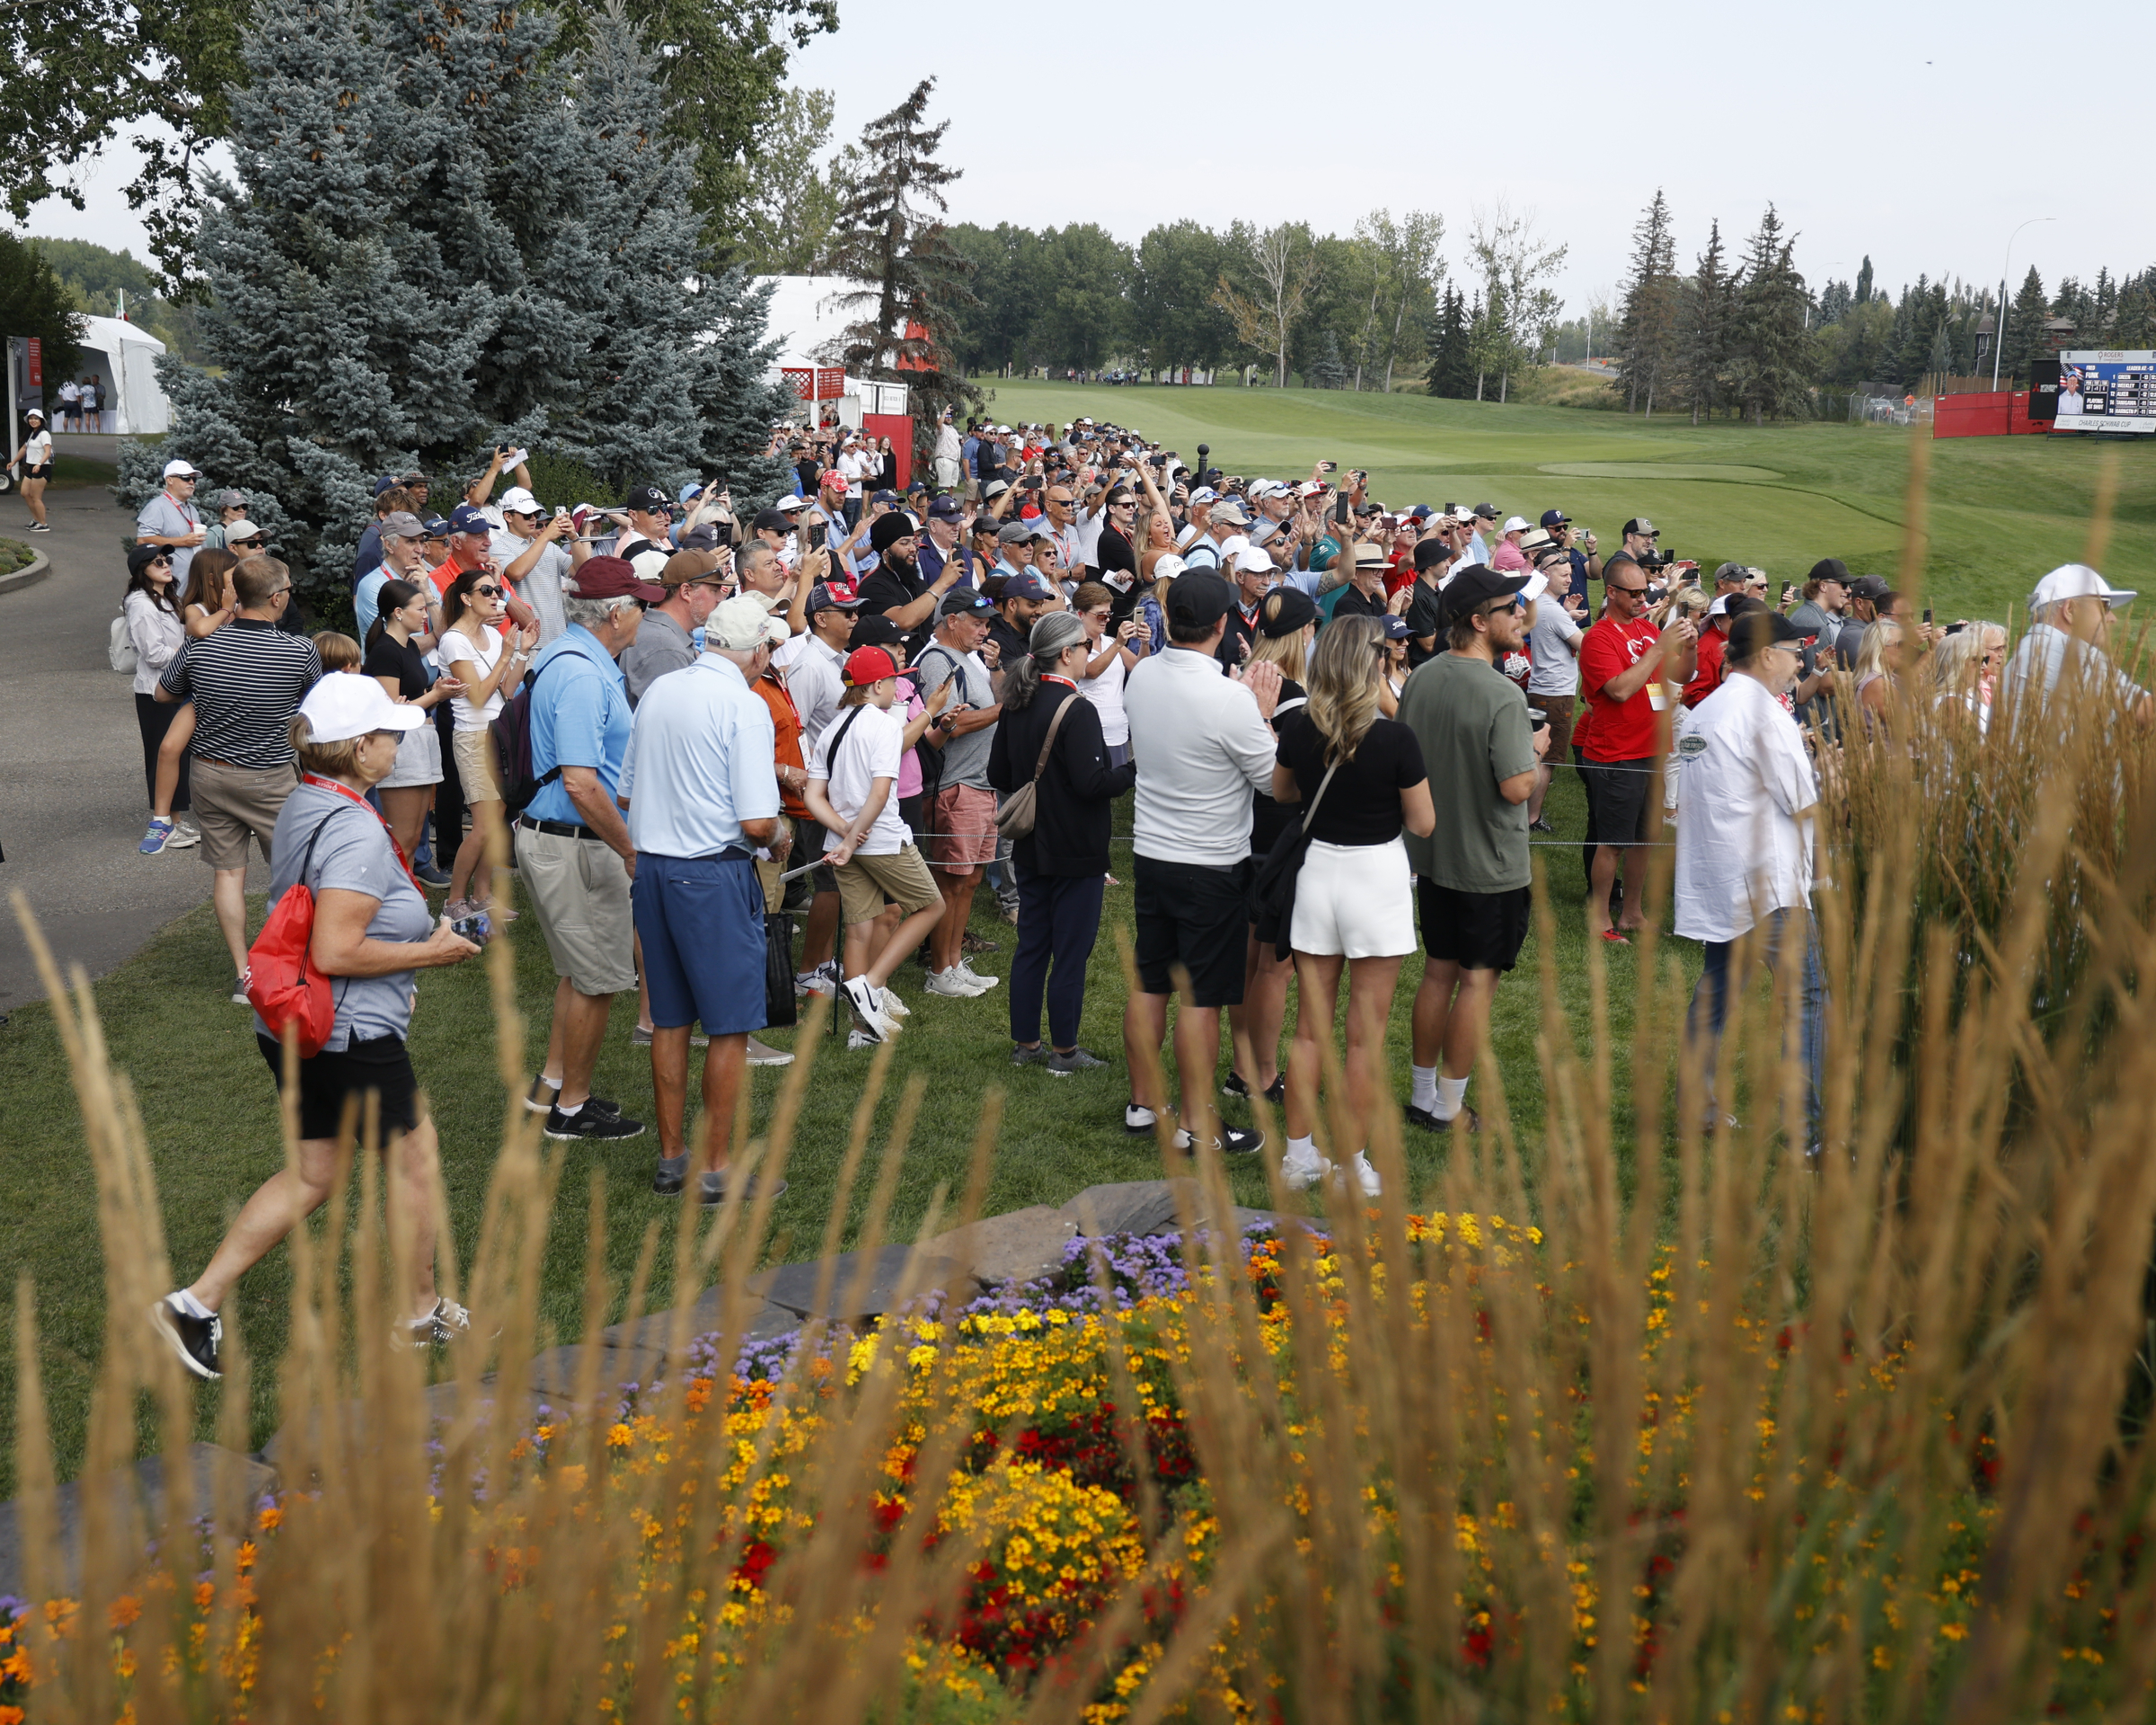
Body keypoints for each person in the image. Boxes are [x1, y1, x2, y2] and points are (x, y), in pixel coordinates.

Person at [148, 676, 482, 1380]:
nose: (397, 745)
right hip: (345, 1034)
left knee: (314, 1174)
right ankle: (420, 1313)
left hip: (292, 1025)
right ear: (360, 749)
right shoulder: (357, 828)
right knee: (414, 1158)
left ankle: (194, 1304)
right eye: (388, 735)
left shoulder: (308, 798)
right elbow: (334, 950)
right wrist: (431, 953)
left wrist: (401, 967)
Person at [620, 596, 787, 1203]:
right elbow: (758, 823)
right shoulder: (744, 705)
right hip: (711, 875)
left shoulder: (662, 690)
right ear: (757, 651)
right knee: (729, 1025)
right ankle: (716, 1170)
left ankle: (674, 1161)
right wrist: (780, 834)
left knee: (669, 1019)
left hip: (655, 872)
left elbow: (626, 792)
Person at [1265, 615, 1434, 1194]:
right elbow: (1424, 822)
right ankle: (1351, 1166)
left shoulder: (1299, 727)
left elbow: (1282, 791)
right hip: (1375, 879)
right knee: (1364, 1036)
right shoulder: (1395, 738)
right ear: (1374, 662)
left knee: (1309, 1030)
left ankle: (1297, 1158)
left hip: (1318, 874)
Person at [1120, 570, 1282, 1157]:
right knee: (1201, 998)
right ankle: (1195, 1122)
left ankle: (1144, 1103)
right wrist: (1262, 714)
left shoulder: (1142, 676)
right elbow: (1275, 783)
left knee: (1151, 981)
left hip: (1152, 854)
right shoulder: (1229, 699)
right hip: (1209, 865)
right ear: (1220, 624)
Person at [1396, 566, 1548, 1138]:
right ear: (1480, 622)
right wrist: (1535, 750)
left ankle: (1422, 1096)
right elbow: (1517, 787)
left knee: (1438, 973)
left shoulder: (1422, 677)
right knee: (1477, 982)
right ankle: (1448, 1107)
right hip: (1489, 865)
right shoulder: (1502, 693)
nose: (1521, 615)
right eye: (1511, 607)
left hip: (1433, 857)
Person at [513, 556, 656, 1140]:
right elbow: (580, 782)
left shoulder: (571, 656)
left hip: (566, 838)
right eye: (640, 605)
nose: (645, 614)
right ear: (615, 614)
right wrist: (629, 849)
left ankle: (550, 1087)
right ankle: (571, 1110)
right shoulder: (582, 675)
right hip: (577, 843)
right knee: (597, 980)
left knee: (579, 973)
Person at [1674, 610, 1825, 1144]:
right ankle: (1808, 1129)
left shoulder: (1705, 711)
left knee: (1716, 992)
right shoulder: (1763, 714)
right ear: (1766, 654)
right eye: (1794, 653)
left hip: (1721, 876)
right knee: (1808, 997)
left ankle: (1695, 1112)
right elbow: (1803, 803)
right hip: (1768, 883)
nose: (1800, 663)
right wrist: (1842, 778)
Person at [155, 556, 323, 995]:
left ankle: (243, 974)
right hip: (270, 779)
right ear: (276, 597)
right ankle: (291, 963)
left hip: (209, 775)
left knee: (228, 874)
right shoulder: (299, 650)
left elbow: (163, 693)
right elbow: (317, 707)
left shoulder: (200, 646)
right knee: (295, 875)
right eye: (288, 590)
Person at [987, 612, 1136, 1075]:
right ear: (1067, 653)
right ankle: (1065, 1052)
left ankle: (1026, 1044)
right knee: (1070, 952)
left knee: (1032, 945)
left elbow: (998, 774)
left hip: (1031, 843)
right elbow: (1093, 784)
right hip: (1076, 847)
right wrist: (1133, 769)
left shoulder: (1018, 701)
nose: (1091, 652)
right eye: (1087, 645)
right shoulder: (1077, 708)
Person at [804, 644, 949, 1043]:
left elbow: (814, 796)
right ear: (878, 685)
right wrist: (852, 838)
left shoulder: (831, 729)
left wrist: (844, 833)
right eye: (893, 683)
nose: (896, 690)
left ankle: (861, 1029)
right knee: (932, 906)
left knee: (859, 929)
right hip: (881, 839)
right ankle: (872, 985)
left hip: (845, 842)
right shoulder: (883, 725)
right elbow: (881, 792)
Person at [1578, 553, 1696, 943]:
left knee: (1646, 838)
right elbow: (1619, 689)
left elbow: (1682, 675)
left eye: (1644, 591)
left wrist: (1689, 647)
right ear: (1611, 592)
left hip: (1652, 751)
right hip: (1616, 753)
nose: (1643, 599)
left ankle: (1632, 913)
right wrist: (1659, 649)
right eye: (1634, 593)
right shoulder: (1599, 638)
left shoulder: (1646, 629)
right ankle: (1599, 918)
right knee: (1613, 842)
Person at [914, 590, 1005, 998]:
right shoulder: (937, 660)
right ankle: (938, 971)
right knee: (951, 882)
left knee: (970, 880)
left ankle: (953, 963)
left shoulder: (969, 659)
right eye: (977, 622)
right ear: (952, 621)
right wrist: (1007, 708)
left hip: (980, 784)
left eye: (987, 624)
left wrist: (999, 676)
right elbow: (949, 724)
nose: (984, 631)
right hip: (955, 786)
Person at [437, 565, 538, 924]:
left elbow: (507, 689)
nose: (496, 596)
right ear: (466, 599)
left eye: (497, 590)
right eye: (486, 591)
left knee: (494, 826)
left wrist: (521, 652)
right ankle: (454, 900)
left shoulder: (494, 636)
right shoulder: (454, 640)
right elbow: (478, 696)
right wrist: (506, 655)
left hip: (499, 735)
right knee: (482, 827)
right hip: (473, 737)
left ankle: (481, 896)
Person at [361, 578, 461, 879]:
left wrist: (435, 690)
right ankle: (390, 897)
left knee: (415, 832)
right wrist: (436, 695)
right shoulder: (385, 651)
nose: (425, 614)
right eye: (420, 609)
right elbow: (391, 712)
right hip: (402, 745)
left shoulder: (409, 647)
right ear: (398, 613)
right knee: (401, 839)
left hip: (422, 740)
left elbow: (412, 698)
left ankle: (407, 894)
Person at [1996, 564, 2151, 722]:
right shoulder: (2074, 654)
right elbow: (2149, 713)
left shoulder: (2026, 649)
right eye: (2105, 606)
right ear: (2070, 610)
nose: (2112, 618)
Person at [124, 545, 200, 854]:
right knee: (163, 755)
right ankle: (163, 822)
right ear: (142, 570)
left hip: (175, 687)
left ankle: (175, 819)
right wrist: (192, 653)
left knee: (179, 756)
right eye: (158, 561)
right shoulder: (141, 605)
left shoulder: (166, 597)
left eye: (167, 559)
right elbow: (154, 654)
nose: (166, 564)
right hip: (155, 691)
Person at [1524, 545, 1584, 831]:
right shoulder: (1553, 611)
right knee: (1547, 760)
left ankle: (1525, 814)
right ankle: (1532, 819)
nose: (1569, 579)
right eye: (1563, 574)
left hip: (1542, 690)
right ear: (1546, 576)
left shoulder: (1542, 605)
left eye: (1570, 574)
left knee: (1535, 755)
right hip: (1556, 694)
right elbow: (1586, 646)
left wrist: (1567, 614)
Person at [620, 549, 724, 704]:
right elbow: (675, 715)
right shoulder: (664, 647)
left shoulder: (667, 633)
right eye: (714, 591)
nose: (720, 598)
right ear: (686, 592)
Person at [492, 487, 580, 646]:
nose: (533, 519)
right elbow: (516, 573)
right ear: (508, 517)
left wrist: (574, 538)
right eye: (527, 515)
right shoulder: (498, 546)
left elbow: (580, 571)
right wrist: (545, 537)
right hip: (524, 643)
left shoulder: (549, 546)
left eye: (536, 514)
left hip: (557, 638)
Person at [1072, 580, 1144, 767]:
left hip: (1118, 730)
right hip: (1089, 732)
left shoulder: (1110, 642)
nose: (1106, 620)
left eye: (1109, 614)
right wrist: (1118, 644)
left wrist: (1145, 643)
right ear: (1080, 614)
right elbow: (1090, 671)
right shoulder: (1073, 644)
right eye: (1100, 615)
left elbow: (1139, 668)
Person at [137, 458, 208, 584]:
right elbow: (143, 540)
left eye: (194, 479)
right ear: (169, 480)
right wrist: (182, 541)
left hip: (195, 580)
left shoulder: (192, 509)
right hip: (173, 583)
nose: (191, 482)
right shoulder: (156, 507)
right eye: (186, 478)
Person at [1851, 618, 1904, 739]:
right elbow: (1909, 729)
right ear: (1879, 647)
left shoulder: (1886, 680)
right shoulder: (1878, 685)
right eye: (1900, 644)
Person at [9, 408, 53, 532]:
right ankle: (36, 519)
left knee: (35, 497)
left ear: (41, 420)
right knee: (25, 493)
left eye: (36, 419)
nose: (33, 421)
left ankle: (43, 524)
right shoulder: (32, 434)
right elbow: (24, 449)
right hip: (31, 467)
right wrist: (13, 462)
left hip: (41, 468)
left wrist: (39, 464)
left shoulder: (44, 434)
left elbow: (48, 452)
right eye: (31, 419)